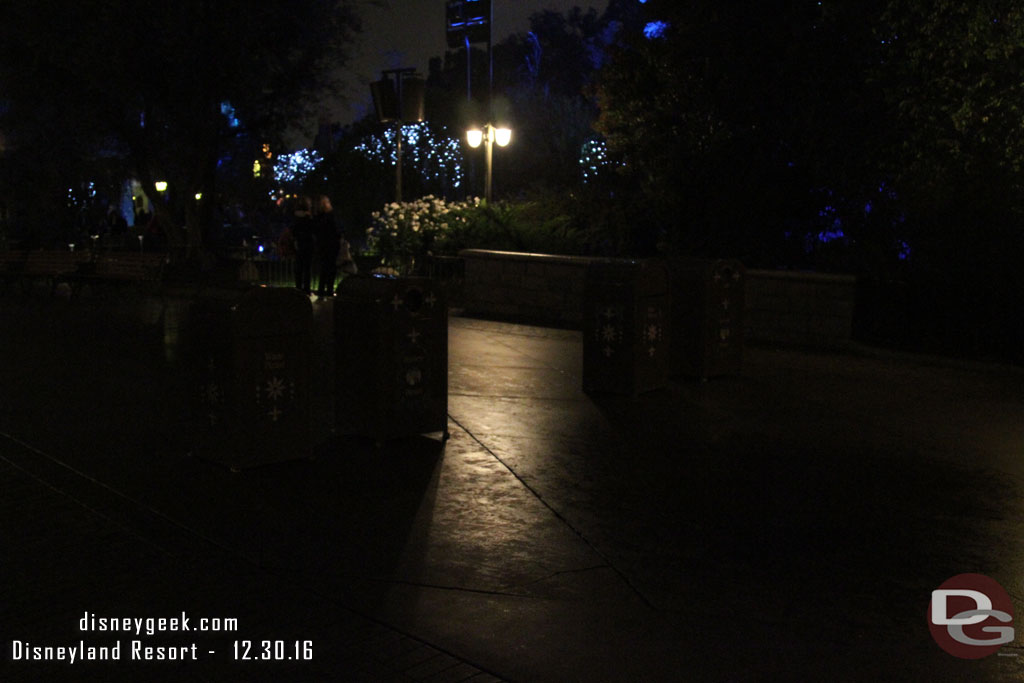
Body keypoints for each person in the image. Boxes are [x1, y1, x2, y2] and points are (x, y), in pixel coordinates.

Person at [313, 195, 339, 296]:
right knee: (331, 269)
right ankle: (329, 290)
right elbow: (335, 230)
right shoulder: (329, 217)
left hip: (322, 245)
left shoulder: (317, 217)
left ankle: (321, 290)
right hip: (331, 245)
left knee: (324, 269)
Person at [292, 196, 315, 294]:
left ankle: (298, 287)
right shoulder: (309, 218)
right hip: (308, 243)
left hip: (299, 243)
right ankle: (306, 289)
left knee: (299, 268)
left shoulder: (295, 217)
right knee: (307, 268)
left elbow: (293, 231)